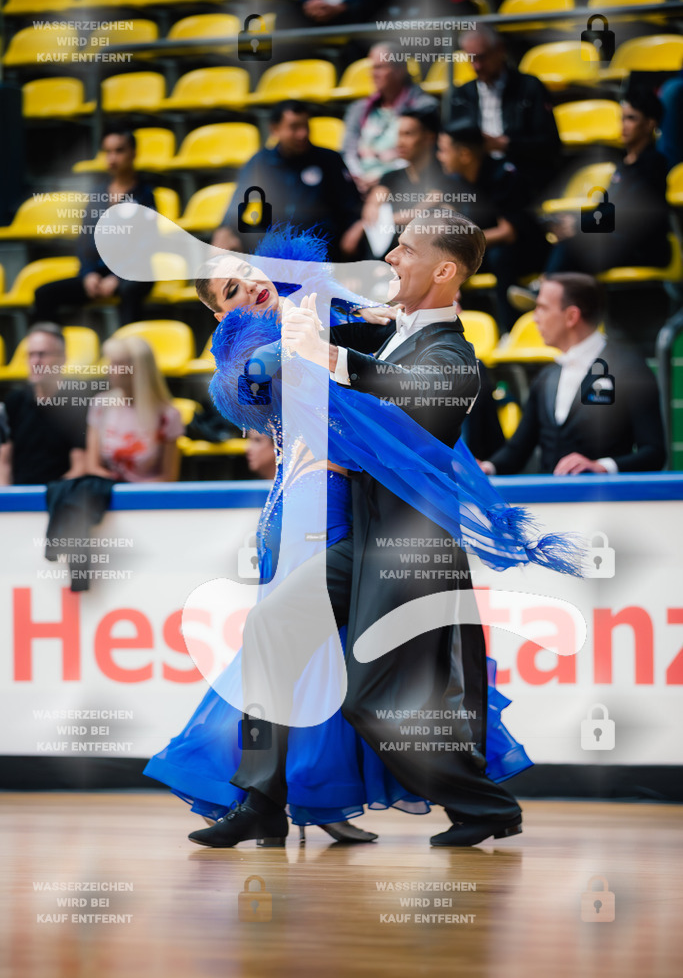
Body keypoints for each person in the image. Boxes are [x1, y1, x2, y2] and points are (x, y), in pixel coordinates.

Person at [189, 213, 584, 851]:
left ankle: (485, 805)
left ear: (445, 270)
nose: (391, 258)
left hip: (407, 547)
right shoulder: (390, 331)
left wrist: (329, 355)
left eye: (406, 249)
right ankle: (261, 800)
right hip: (359, 535)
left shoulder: (449, 351)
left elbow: (418, 401)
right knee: (271, 629)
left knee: (373, 698)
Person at [478, 273, 667, 476]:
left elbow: (654, 452)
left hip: (605, 495)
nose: (535, 318)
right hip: (550, 495)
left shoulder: (630, 369)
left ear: (571, 316)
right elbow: (517, 451)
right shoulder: (545, 377)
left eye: (542, 308)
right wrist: (486, 468)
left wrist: (602, 466)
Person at [33, 131, 156, 327]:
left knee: (130, 289)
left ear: (133, 153)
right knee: (44, 294)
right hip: (99, 274)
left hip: (133, 274)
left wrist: (118, 277)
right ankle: (49, 344)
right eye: (107, 152)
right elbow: (85, 241)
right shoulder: (97, 195)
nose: (112, 158)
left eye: (119, 151)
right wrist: (88, 274)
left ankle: (127, 345)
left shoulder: (145, 195)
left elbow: (147, 245)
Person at [212, 101, 362, 260]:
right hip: (275, 249)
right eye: (294, 127)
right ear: (275, 129)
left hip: (322, 248)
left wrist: (354, 229)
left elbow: (352, 205)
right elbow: (239, 202)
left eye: (306, 126)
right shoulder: (260, 162)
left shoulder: (329, 159)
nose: (302, 134)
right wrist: (225, 230)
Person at [436, 122, 549, 332]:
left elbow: (508, 233)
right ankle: (447, 328)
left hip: (524, 252)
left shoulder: (504, 175)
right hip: (481, 249)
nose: (439, 156)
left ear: (465, 154)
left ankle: (509, 329)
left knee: (500, 256)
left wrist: (462, 243)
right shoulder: (454, 181)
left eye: (443, 150)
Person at [545, 90, 671, 275]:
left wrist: (580, 225)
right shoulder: (623, 165)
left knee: (574, 245)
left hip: (642, 248)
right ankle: (548, 286)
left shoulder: (654, 164)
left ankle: (546, 286)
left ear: (650, 124)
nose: (623, 125)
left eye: (631, 118)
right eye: (622, 118)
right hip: (618, 242)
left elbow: (626, 212)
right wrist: (574, 222)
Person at [449, 25, 561, 199]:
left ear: (500, 50)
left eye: (482, 57)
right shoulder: (462, 94)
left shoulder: (529, 87)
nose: (476, 66)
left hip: (522, 173)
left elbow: (550, 144)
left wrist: (505, 144)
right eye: (470, 59)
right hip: (477, 174)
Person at [342, 42, 439, 193]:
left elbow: (423, 153)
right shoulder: (359, 108)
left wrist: (384, 178)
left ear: (400, 70)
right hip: (359, 185)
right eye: (372, 68)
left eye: (380, 67)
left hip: (403, 186)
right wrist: (359, 177)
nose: (373, 74)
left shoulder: (423, 106)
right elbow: (348, 150)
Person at [85, 336, 183, 483]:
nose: (108, 369)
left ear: (137, 370)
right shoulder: (100, 404)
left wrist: (131, 492)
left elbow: (168, 477)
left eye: (117, 364)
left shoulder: (168, 416)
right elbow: (92, 467)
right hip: (110, 492)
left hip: (147, 495)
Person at [349, 107, 445, 256]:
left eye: (408, 134)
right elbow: (372, 206)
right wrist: (369, 216)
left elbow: (419, 213)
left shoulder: (444, 175)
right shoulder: (391, 177)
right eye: (398, 135)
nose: (400, 142)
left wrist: (382, 220)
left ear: (429, 138)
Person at [0, 323, 87, 486]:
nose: (35, 361)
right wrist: (7, 496)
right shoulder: (14, 401)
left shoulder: (78, 404)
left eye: (42, 354)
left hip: (59, 494)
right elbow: (3, 463)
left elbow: (80, 467)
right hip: (19, 494)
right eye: (30, 355)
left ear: (62, 358)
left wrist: (49, 497)